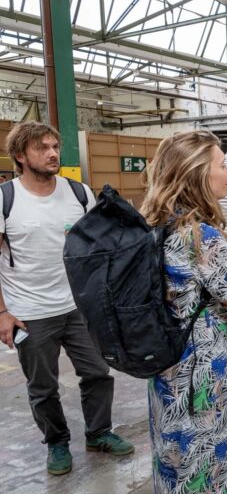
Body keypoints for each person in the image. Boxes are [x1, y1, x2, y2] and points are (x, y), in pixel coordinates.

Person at [0, 121, 133, 476]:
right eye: (42, 148)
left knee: (98, 374)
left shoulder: (79, 194)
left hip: (80, 307)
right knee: (43, 387)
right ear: (20, 156)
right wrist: (3, 312)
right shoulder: (5, 199)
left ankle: (99, 433)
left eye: (54, 146)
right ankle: (57, 443)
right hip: (30, 312)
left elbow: (99, 245)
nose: (52, 153)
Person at [141, 130, 227, 493]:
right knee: (209, 460)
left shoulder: (152, 226)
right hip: (204, 375)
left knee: (174, 455)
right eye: (223, 166)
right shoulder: (201, 236)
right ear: (198, 174)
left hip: (166, 366)